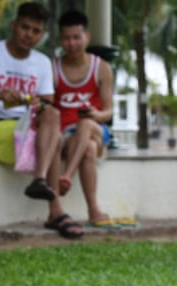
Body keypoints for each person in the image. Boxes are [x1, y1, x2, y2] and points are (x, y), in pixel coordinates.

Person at [0, 2, 84, 239]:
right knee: (54, 139)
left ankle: (40, 181)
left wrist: (36, 103)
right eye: (25, 28)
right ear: (13, 25)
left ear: (42, 34)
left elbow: (48, 103)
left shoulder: (42, 62)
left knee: (52, 115)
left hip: (29, 123)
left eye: (36, 31)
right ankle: (55, 210)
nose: (29, 35)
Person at [52, 9, 118, 229]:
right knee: (87, 148)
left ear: (87, 37)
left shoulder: (102, 68)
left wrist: (96, 115)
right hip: (67, 135)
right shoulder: (53, 69)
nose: (71, 44)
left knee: (87, 124)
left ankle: (67, 174)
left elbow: (108, 112)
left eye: (76, 38)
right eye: (66, 38)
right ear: (60, 39)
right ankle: (93, 209)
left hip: (97, 129)